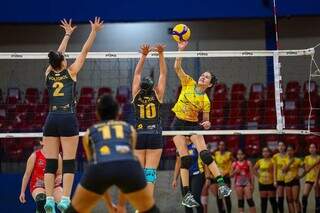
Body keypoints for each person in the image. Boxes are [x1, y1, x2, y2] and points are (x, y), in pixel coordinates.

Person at [43, 17, 103, 212]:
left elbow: (57, 55)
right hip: (67, 118)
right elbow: (84, 51)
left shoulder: (48, 73)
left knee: (51, 162)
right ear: (63, 61)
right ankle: (65, 199)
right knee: (68, 161)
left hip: (51, 119)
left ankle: (49, 199)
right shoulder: (72, 72)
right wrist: (93, 31)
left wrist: (67, 34)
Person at [65, 94, 160, 213]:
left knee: (73, 211)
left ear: (97, 114)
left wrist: (109, 204)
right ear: (118, 112)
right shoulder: (129, 129)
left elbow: (94, 168)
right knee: (151, 210)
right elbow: (127, 168)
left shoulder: (89, 133)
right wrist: (121, 205)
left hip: (100, 167)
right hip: (128, 166)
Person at [171, 40, 231, 208]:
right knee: (186, 159)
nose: (203, 76)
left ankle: (222, 185)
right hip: (177, 124)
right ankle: (186, 195)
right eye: (203, 74)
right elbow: (176, 67)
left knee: (204, 154)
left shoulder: (206, 100)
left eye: (207, 77)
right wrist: (180, 50)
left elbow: (206, 121)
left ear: (210, 84)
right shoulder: (188, 82)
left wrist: (207, 124)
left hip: (191, 125)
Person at [132, 43, 167, 194]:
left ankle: (140, 206)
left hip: (139, 135)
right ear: (153, 87)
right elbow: (163, 75)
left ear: (140, 87)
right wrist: (160, 54)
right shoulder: (157, 94)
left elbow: (136, 74)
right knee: (150, 174)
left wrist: (143, 56)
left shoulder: (136, 94)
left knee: (140, 175)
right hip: (154, 135)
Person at [19, 140, 62, 213]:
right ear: (41, 142)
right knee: (42, 201)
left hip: (53, 186)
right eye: (47, 139)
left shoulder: (57, 156)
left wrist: (59, 178)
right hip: (38, 186)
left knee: (66, 206)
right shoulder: (34, 156)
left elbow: (60, 174)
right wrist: (22, 192)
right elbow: (27, 175)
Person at [172, 137, 206, 213]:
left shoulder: (196, 145)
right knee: (186, 200)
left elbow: (205, 160)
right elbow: (178, 163)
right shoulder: (179, 146)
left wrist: (207, 176)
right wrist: (175, 179)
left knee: (196, 198)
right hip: (184, 176)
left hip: (197, 174)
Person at [208, 141, 233, 213]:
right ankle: (221, 211)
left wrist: (230, 171)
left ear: (225, 146)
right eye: (220, 145)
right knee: (219, 197)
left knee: (226, 196)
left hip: (226, 177)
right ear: (218, 146)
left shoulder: (229, 154)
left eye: (223, 145)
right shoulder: (216, 154)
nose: (221, 146)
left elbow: (234, 162)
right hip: (218, 177)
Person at [254, 147, 277, 213]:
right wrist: (259, 176)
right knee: (263, 201)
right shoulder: (260, 161)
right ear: (262, 153)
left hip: (271, 183)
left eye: (267, 151)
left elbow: (275, 172)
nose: (265, 153)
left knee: (273, 201)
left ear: (269, 153)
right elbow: (254, 169)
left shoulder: (273, 161)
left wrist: (275, 181)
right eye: (264, 151)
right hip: (262, 183)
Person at [300, 143, 320, 213]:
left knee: (317, 196)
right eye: (310, 148)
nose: (312, 149)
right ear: (309, 149)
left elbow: (318, 170)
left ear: (316, 149)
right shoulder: (307, 158)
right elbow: (306, 169)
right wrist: (314, 164)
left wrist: (316, 181)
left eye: (313, 147)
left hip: (317, 179)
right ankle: (304, 211)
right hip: (308, 179)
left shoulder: (319, 158)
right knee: (304, 195)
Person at [283, 145, 303, 213]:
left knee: (296, 199)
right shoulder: (284, 160)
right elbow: (284, 170)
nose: (289, 152)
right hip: (287, 181)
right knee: (290, 200)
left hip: (295, 181)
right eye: (288, 150)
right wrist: (290, 162)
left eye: (291, 150)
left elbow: (306, 168)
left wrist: (301, 176)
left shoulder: (298, 160)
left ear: (294, 151)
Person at [272, 141, 287, 213]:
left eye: (282, 145)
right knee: (280, 198)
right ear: (277, 147)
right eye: (279, 146)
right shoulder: (275, 156)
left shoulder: (289, 155)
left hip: (288, 179)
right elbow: (274, 169)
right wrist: (275, 180)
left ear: (285, 147)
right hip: (279, 179)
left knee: (290, 198)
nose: (281, 147)